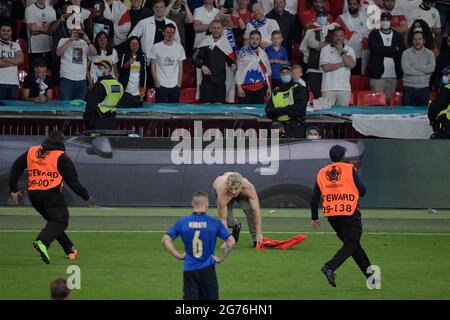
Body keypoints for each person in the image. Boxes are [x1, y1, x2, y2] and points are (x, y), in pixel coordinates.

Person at [9, 131, 95, 264]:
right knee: (61, 221)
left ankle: (69, 249)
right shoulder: (60, 156)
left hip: (34, 195)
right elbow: (72, 181)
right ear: (61, 143)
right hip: (51, 194)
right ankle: (42, 241)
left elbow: (16, 167)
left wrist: (13, 189)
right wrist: (86, 196)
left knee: (53, 222)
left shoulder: (32, 151)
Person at [310, 144, 372, 287]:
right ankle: (330, 266)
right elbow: (362, 191)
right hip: (349, 212)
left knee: (353, 245)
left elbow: (314, 198)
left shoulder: (321, 172)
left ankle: (371, 277)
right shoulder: (350, 168)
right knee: (352, 243)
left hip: (332, 215)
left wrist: (314, 217)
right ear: (343, 156)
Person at [161, 191, 236, 300]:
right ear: (207, 204)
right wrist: (221, 258)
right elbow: (231, 241)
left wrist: (179, 255)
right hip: (208, 268)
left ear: (192, 204)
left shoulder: (183, 222)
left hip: (189, 268)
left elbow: (165, 240)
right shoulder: (214, 223)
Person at [212, 172, 264, 247]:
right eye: (231, 189)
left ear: (241, 185)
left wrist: (259, 233)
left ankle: (256, 239)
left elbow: (256, 210)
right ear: (227, 185)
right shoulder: (222, 191)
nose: (233, 192)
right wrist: (226, 239)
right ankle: (236, 225)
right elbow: (223, 219)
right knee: (229, 222)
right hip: (225, 194)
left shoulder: (248, 187)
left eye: (236, 189)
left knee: (250, 210)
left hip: (242, 193)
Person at [193, 19, 236, 103]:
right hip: (206, 83)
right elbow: (194, 58)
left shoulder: (226, 44)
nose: (216, 30)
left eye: (218, 28)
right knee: (205, 110)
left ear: (222, 29)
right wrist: (202, 66)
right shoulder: (205, 43)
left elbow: (231, 58)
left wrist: (233, 64)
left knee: (219, 111)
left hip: (220, 84)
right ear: (210, 29)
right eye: (214, 28)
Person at [367, 11, 406, 100]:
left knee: (391, 104)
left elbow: (401, 51)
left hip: (393, 75)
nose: (385, 21)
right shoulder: (374, 34)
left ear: (391, 21)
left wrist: (383, 50)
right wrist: (393, 50)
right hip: (377, 75)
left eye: (387, 19)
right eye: (383, 19)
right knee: (376, 102)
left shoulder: (397, 35)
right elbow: (375, 49)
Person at [299, 8, 334, 99]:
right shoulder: (312, 29)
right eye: (320, 16)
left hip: (329, 67)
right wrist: (329, 45)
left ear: (328, 17)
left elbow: (338, 43)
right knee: (315, 92)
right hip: (315, 67)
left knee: (327, 93)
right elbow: (312, 43)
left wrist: (322, 45)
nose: (322, 18)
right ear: (316, 17)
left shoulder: (333, 28)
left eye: (324, 16)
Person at [265, 65, 308, 138]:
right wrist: (286, 110)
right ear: (280, 75)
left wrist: (278, 111)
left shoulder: (299, 88)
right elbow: (268, 110)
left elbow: (299, 109)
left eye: (287, 72)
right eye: (283, 73)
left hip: (294, 125)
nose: (285, 75)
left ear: (291, 74)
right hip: (277, 126)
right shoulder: (276, 90)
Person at [56, 28, 97, 100]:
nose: (77, 32)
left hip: (82, 81)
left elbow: (94, 53)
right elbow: (58, 53)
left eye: (79, 30)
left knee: (79, 109)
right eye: (74, 30)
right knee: (65, 107)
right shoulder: (63, 40)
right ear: (69, 31)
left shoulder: (84, 43)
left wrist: (88, 40)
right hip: (67, 79)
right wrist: (70, 40)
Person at [319, 26, 356, 106]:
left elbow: (352, 65)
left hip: (344, 89)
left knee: (343, 115)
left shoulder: (350, 50)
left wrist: (341, 52)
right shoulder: (325, 49)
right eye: (336, 36)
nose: (338, 38)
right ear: (333, 37)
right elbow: (326, 68)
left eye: (341, 36)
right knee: (327, 115)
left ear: (344, 37)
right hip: (328, 88)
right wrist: (344, 63)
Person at [150, 23, 186, 103]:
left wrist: (179, 83)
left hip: (175, 85)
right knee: (160, 110)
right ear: (163, 33)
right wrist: (156, 81)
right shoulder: (156, 47)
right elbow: (153, 66)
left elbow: (180, 66)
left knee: (174, 110)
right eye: (167, 32)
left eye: (172, 33)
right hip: (160, 84)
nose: (170, 35)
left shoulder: (179, 48)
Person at [84, 60, 124, 130]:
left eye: (100, 68)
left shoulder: (101, 84)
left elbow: (91, 104)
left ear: (107, 69)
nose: (97, 70)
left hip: (99, 121)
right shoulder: (119, 85)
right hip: (112, 121)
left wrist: (87, 120)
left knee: (96, 141)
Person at [236, 30, 272, 104]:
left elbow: (266, 72)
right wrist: (239, 87)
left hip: (259, 89)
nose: (254, 41)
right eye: (252, 39)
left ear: (260, 41)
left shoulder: (263, 54)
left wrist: (269, 87)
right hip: (245, 88)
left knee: (257, 113)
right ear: (249, 40)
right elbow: (238, 70)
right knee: (244, 113)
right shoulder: (242, 52)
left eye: (257, 39)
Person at [335, 0, 370, 75]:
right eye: (350, 4)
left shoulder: (366, 20)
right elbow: (337, 36)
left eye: (355, 4)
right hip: (345, 55)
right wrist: (358, 36)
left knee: (357, 81)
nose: (352, 6)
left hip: (361, 56)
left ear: (359, 5)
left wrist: (354, 35)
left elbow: (368, 35)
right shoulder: (341, 18)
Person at [401, 29, 435, 106]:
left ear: (424, 41)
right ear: (412, 41)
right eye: (415, 39)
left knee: (423, 115)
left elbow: (431, 68)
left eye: (419, 39)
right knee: (406, 114)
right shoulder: (406, 53)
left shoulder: (430, 54)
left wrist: (415, 66)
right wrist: (425, 71)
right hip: (408, 89)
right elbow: (406, 70)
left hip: (424, 89)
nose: (417, 42)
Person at [25, 0, 56, 68]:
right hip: (35, 49)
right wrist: (48, 31)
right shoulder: (29, 9)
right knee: (35, 74)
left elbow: (53, 30)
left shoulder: (52, 11)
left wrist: (38, 28)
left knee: (48, 74)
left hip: (49, 48)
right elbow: (32, 30)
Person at [117, 36, 147, 107]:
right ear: (129, 45)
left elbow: (144, 74)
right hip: (126, 90)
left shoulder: (142, 56)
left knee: (137, 106)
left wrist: (143, 90)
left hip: (137, 91)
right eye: (132, 43)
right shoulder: (124, 55)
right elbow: (120, 70)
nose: (135, 46)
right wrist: (128, 64)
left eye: (136, 44)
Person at [0, 21, 24, 100]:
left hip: (14, 83)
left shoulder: (15, 45)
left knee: (12, 110)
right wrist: (14, 62)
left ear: (11, 32)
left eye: (8, 31)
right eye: (3, 30)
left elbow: (21, 60)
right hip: (1, 83)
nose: (6, 32)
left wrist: (5, 59)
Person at [428, 66, 450, 138]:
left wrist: (432, 120)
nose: (444, 76)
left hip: (446, 126)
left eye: (447, 74)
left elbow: (434, 108)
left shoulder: (446, 90)